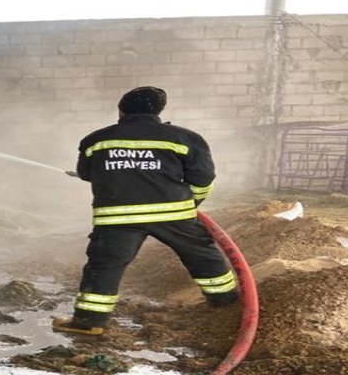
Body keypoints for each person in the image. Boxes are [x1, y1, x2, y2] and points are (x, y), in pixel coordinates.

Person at [53, 86, 240, 336]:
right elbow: (203, 178)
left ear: (121, 110)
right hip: (173, 215)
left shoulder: (96, 140)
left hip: (117, 218)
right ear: (159, 111)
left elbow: (87, 173)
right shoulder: (185, 138)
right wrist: (191, 203)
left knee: (105, 266)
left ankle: (89, 321)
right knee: (202, 256)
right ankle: (226, 304)